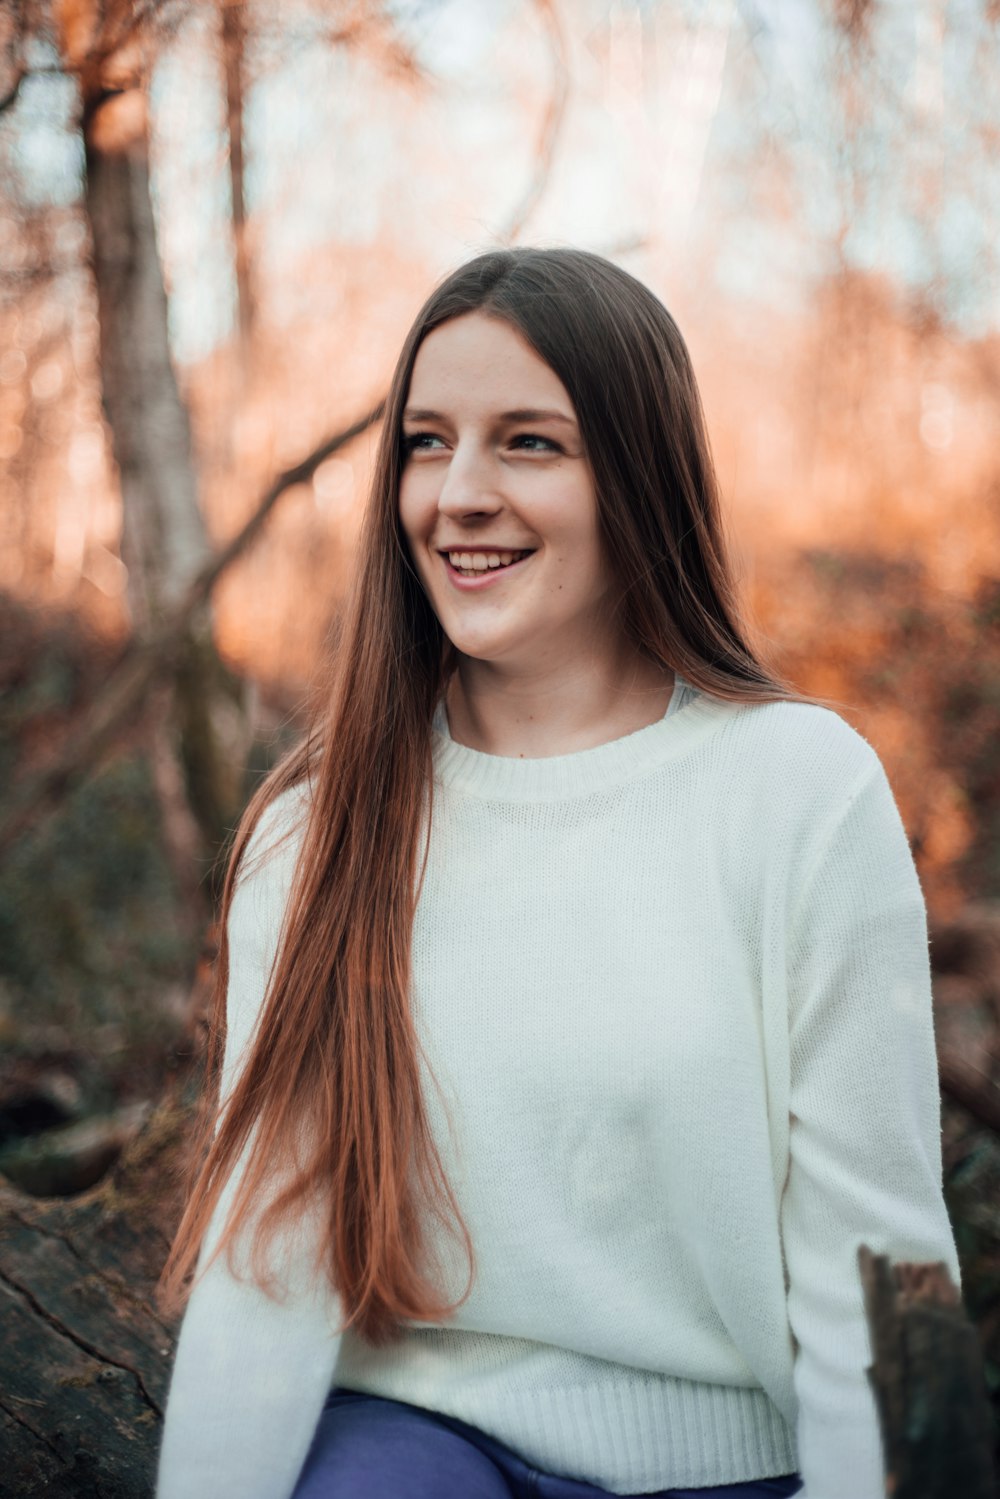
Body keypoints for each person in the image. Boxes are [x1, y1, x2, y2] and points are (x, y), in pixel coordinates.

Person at [155, 246, 960, 1499]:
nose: (457, 493)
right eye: (426, 442)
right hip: (415, 1446)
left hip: (734, 1463)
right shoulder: (318, 827)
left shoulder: (798, 790)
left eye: (528, 442)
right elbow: (271, 1256)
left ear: (638, 476)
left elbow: (877, 1261)